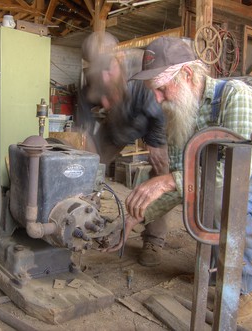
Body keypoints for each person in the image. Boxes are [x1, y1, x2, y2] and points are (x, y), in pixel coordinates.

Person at [105, 36, 252, 322]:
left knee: (223, 203)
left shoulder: (237, 97)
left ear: (187, 74)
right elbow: (183, 184)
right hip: (232, 184)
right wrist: (133, 218)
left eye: (161, 89)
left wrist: (165, 181)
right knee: (200, 209)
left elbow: (234, 175)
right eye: (154, 93)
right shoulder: (179, 116)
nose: (158, 100)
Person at [75, 31, 171, 266]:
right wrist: (84, 137)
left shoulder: (141, 67)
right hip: (118, 126)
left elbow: (158, 114)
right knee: (87, 165)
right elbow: (84, 108)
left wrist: (156, 144)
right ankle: (86, 220)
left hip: (152, 123)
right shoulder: (95, 75)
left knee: (160, 175)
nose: (104, 103)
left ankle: (154, 240)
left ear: (115, 63)